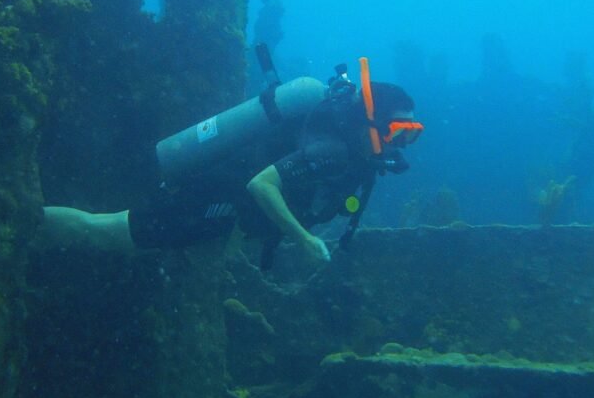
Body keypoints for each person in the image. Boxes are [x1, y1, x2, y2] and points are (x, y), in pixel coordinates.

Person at [41, 57, 423, 267]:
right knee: (104, 231)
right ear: (372, 122)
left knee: (116, 236)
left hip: (224, 209)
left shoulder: (353, 158)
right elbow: (261, 185)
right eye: (398, 130)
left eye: (410, 134)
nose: (399, 144)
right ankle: (21, 218)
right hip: (213, 195)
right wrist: (303, 239)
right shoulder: (333, 153)